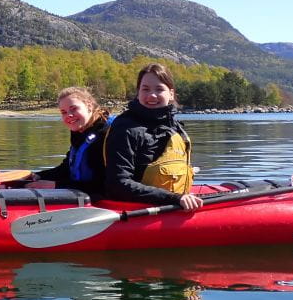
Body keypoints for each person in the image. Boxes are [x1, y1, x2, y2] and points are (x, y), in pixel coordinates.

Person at [104, 63, 203, 210]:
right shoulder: (125, 129)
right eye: (145, 89)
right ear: (138, 92)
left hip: (174, 203)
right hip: (139, 210)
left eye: (159, 89)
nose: (152, 95)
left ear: (171, 94)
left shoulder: (175, 126)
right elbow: (118, 184)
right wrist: (174, 198)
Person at [30, 86, 111, 195]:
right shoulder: (81, 132)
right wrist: (37, 176)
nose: (69, 115)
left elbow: (106, 185)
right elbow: (66, 169)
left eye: (74, 109)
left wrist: (55, 185)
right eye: (64, 112)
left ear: (89, 106)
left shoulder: (109, 135)